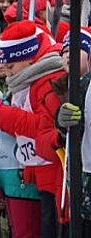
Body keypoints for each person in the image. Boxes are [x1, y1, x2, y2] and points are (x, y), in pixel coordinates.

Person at [0, 20, 65, 237]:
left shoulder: (48, 79)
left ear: (28, 57)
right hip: (36, 171)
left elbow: (43, 126)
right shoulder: (27, 78)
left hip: (52, 172)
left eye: (11, 65)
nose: (8, 72)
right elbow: (20, 124)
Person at [45, 27, 91, 235]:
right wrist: (62, 122)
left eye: (75, 50)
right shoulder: (77, 85)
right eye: (64, 51)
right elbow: (66, 127)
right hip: (80, 174)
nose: (68, 56)